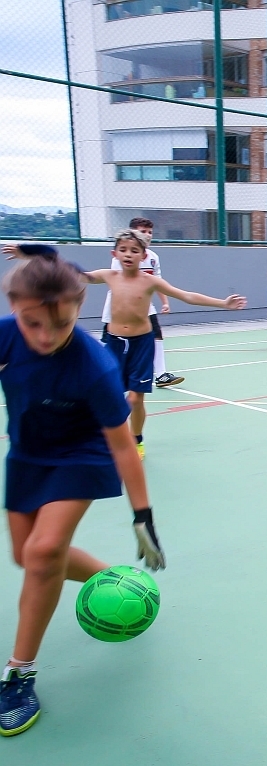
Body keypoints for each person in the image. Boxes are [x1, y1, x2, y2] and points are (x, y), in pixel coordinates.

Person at [0, 248, 165, 738]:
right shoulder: (6, 335)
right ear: (14, 308)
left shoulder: (94, 365)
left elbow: (122, 444)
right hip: (27, 453)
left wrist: (142, 515)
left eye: (62, 324)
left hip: (82, 455)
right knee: (27, 557)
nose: (45, 336)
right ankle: (117, 580)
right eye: (32, 323)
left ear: (79, 309)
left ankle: (20, 676)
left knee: (44, 552)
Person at [83, 230, 247, 459]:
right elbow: (76, 276)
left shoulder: (149, 281)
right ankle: (107, 436)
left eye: (134, 250)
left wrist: (223, 304)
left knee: (135, 398)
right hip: (114, 343)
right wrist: (39, 262)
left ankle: (136, 440)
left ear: (143, 256)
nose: (128, 254)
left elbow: (186, 296)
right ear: (115, 254)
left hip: (141, 344)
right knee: (109, 396)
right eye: (123, 250)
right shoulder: (108, 276)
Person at [100, 217, 183, 388]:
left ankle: (161, 374)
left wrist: (165, 302)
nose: (148, 235)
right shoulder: (122, 257)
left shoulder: (152, 258)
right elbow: (122, 284)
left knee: (156, 334)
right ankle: (99, 372)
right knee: (109, 340)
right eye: (143, 231)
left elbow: (158, 282)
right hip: (119, 308)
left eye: (150, 232)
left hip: (143, 307)